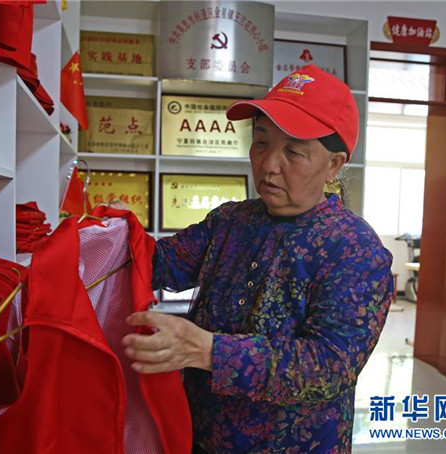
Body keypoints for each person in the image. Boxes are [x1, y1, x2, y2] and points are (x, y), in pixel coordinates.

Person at [121, 65, 394, 453]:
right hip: (201, 436)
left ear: (334, 165)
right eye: (261, 142)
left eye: (293, 151)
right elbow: (161, 264)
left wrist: (211, 351)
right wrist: (110, 237)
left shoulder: (355, 249)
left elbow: (329, 365)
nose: (268, 164)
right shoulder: (231, 220)